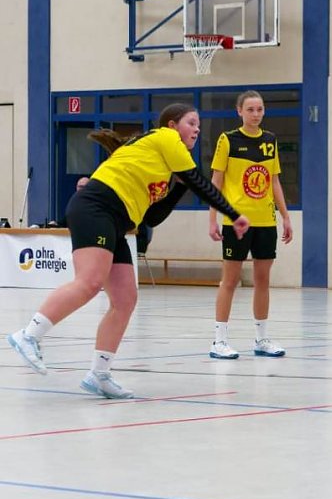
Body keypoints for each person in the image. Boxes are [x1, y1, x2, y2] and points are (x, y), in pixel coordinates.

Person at [6, 103, 249, 398]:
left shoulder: (162, 163)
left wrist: (180, 187)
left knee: (125, 299)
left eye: (199, 124)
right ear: (172, 125)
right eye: (191, 123)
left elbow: (152, 217)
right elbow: (201, 182)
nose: (197, 129)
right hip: (96, 206)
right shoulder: (165, 138)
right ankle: (28, 335)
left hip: (118, 221)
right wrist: (233, 214)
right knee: (89, 281)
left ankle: (99, 374)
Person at [208, 90, 293, 359]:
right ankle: (219, 340)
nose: (256, 114)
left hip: (265, 221)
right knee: (230, 280)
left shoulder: (270, 140)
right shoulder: (228, 140)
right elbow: (216, 181)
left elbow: (275, 181)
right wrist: (213, 219)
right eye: (251, 109)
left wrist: (285, 216)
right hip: (236, 223)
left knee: (263, 280)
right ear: (239, 111)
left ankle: (261, 338)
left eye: (260, 109)